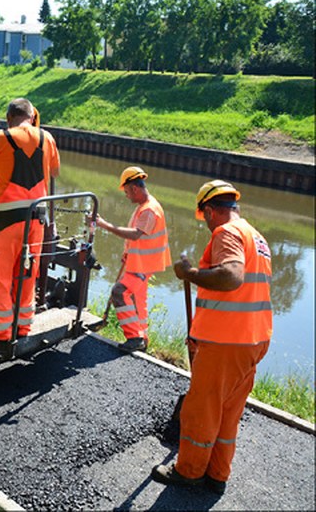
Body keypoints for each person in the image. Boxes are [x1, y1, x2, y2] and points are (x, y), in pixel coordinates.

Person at [151, 180, 272, 495]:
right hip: (253, 339)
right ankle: (217, 474)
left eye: (204, 215)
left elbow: (231, 276)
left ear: (209, 210)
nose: (205, 222)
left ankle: (189, 471)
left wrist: (189, 273)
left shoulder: (226, 233)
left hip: (225, 342)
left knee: (201, 408)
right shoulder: (257, 238)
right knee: (229, 410)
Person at [0, 98, 60, 347]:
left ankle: (0, 334)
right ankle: (22, 327)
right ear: (33, 115)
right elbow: (54, 172)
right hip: (37, 222)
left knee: (0, 275)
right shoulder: (48, 138)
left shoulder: (0, 138)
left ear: (8, 117)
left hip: (8, 221)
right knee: (26, 272)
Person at [92, 166, 171, 352]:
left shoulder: (149, 210)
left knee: (119, 292)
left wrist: (104, 224)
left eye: (127, 192)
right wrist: (127, 252)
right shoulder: (143, 208)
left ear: (135, 188)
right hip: (138, 263)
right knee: (137, 301)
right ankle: (142, 337)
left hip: (143, 266)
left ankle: (134, 338)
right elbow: (139, 239)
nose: (127, 196)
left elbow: (135, 234)